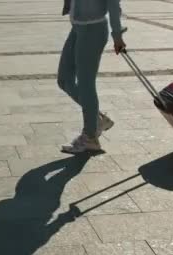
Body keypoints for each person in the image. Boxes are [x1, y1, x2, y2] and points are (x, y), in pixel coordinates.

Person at [58, 0, 127, 153]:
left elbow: (113, 4)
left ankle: (90, 137)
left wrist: (117, 34)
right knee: (64, 79)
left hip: (93, 29)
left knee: (85, 84)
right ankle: (98, 118)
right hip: (77, 27)